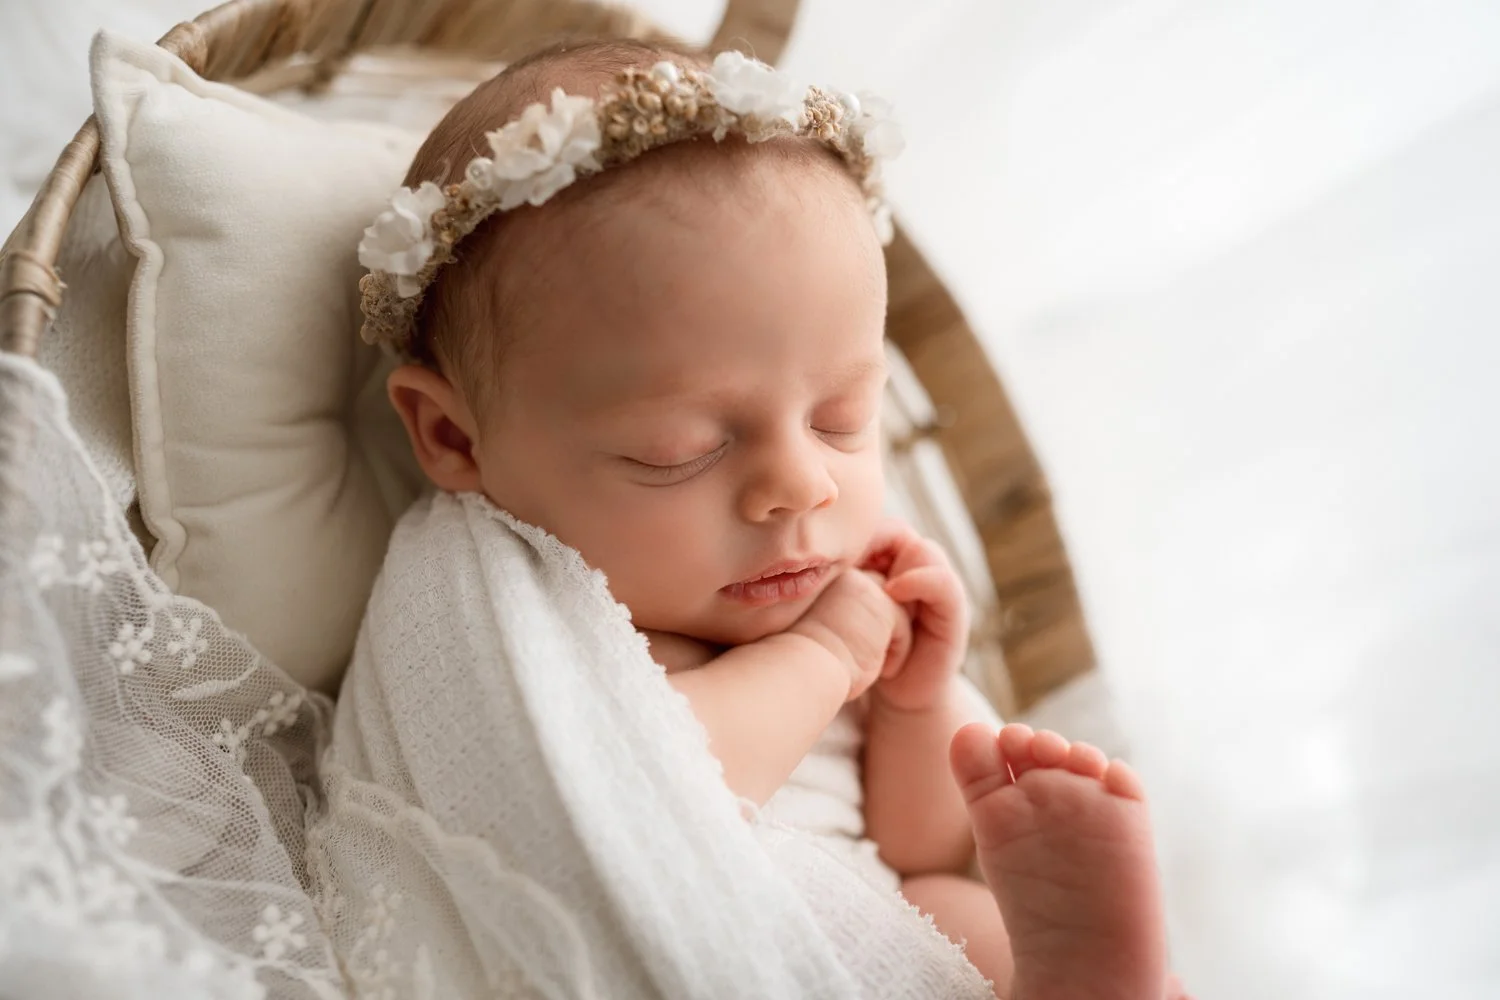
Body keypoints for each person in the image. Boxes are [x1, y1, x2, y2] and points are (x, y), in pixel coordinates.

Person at [357, 37, 1187, 999]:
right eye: (680, 449)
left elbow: (915, 844)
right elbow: (634, 793)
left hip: (857, 908)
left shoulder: (826, 586)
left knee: (950, 908)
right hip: (670, 947)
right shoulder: (489, 590)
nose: (800, 486)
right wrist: (828, 660)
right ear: (456, 439)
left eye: (843, 421)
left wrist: (917, 705)